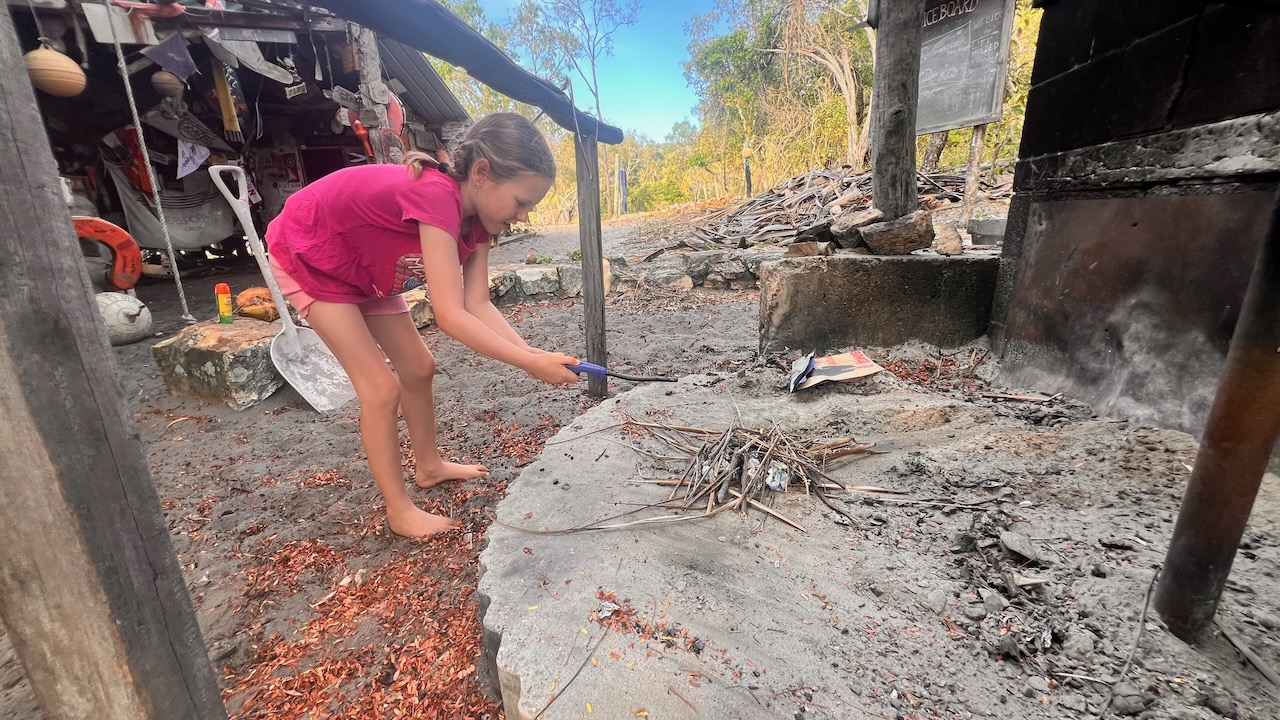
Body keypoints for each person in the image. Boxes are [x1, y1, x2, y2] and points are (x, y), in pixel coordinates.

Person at [264, 113, 581, 539]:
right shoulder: (438, 196)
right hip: (313, 255)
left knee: (418, 366)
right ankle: (399, 510)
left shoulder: (480, 224)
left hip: (365, 268)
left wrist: (533, 355)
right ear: (482, 173)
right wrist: (527, 364)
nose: (523, 216)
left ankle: (429, 466)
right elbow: (450, 316)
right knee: (380, 388)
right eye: (520, 202)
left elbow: (478, 303)